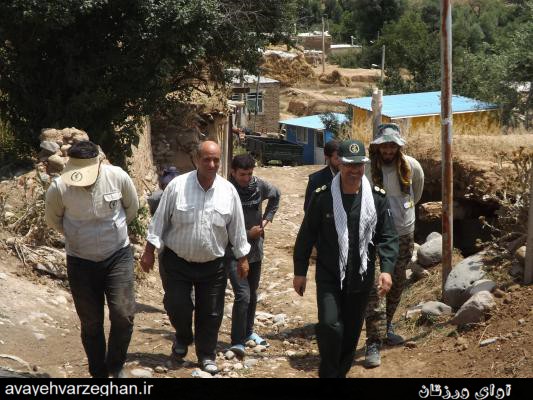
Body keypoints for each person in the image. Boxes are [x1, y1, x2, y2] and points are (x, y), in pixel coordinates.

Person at [140, 140, 250, 375]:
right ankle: (183, 336)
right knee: (176, 304)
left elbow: (237, 228)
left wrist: (242, 258)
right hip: (177, 261)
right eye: (206, 159)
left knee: (211, 312)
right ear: (196, 160)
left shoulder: (228, 191)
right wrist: (149, 251)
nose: (211, 164)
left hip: (213, 264)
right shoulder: (177, 186)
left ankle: (206, 354)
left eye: (216, 160)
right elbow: (159, 221)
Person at [293, 139, 398, 378]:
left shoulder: (376, 198)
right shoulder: (323, 197)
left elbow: (388, 236)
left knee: (351, 333)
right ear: (339, 163)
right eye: (350, 164)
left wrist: (387, 269)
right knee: (330, 325)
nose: (355, 170)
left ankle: (339, 373)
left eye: (359, 165)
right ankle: (329, 372)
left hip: (361, 276)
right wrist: (300, 272)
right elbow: (307, 234)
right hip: (329, 275)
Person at [45, 140, 139, 378]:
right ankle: (98, 373)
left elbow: (131, 208)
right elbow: (53, 220)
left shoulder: (117, 177)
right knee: (91, 322)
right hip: (80, 261)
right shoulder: (59, 187)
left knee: (123, 314)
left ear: (98, 164)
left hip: (117, 255)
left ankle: (115, 365)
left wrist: (114, 232)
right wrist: (77, 236)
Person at [363, 123, 425, 368]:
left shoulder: (412, 167)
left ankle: (387, 327)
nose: (388, 150)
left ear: (398, 146)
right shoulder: (367, 169)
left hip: (403, 234)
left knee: (397, 284)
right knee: (376, 288)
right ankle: (373, 342)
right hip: (374, 235)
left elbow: (416, 194)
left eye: (392, 146)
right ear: (377, 147)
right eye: (384, 146)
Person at [225, 153, 280, 357]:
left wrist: (265, 221)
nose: (246, 178)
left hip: (255, 250)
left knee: (252, 292)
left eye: (249, 174)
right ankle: (237, 341)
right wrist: (248, 234)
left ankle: (248, 332)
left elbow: (276, 195)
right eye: (242, 174)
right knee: (243, 295)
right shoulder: (225, 190)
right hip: (232, 251)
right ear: (233, 172)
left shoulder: (259, 186)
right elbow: (222, 225)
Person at [303, 140, 341, 212]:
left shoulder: (350, 176)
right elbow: (308, 209)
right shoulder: (315, 180)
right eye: (337, 158)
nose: (341, 161)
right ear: (327, 158)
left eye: (342, 157)